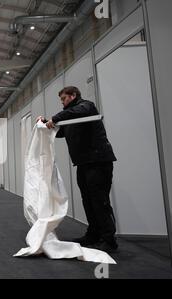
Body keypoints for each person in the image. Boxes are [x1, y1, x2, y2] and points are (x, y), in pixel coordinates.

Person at [37, 86, 118, 253]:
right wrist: (45, 123)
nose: (62, 103)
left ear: (73, 95)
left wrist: (55, 117)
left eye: (64, 99)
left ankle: (109, 240)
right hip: (83, 164)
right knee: (87, 200)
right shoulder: (70, 115)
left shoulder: (86, 107)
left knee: (99, 200)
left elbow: (73, 113)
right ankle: (93, 235)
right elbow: (60, 131)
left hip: (98, 161)